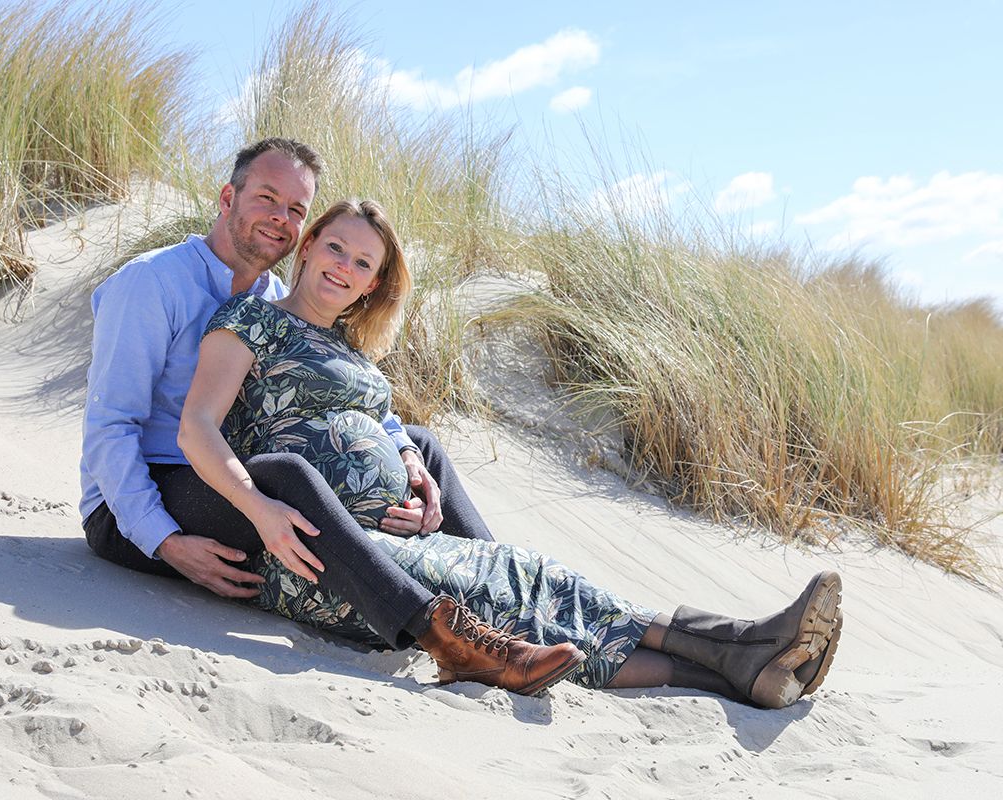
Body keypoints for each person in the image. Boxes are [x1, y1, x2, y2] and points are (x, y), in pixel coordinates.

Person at [178, 198, 845, 706]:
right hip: (327, 557)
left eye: (364, 264)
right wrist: (258, 510)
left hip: (398, 537)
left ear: (372, 285)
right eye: (337, 248)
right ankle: (738, 651)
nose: (344, 268)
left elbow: (383, 424)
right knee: (507, 593)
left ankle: (739, 669)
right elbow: (199, 426)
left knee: (531, 581)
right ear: (308, 247)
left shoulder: (353, 351)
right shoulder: (254, 321)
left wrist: (408, 459)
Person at [80, 137, 583, 695]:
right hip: (145, 500)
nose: (280, 218)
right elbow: (111, 427)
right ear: (227, 197)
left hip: (230, 483)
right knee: (287, 474)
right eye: (267, 198)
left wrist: (409, 455)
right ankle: (446, 640)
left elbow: (357, 404)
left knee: (418, 440)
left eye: (296, 209)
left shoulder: (276, 297)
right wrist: (164, 541)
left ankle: (507, 609)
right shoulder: (151, 283)